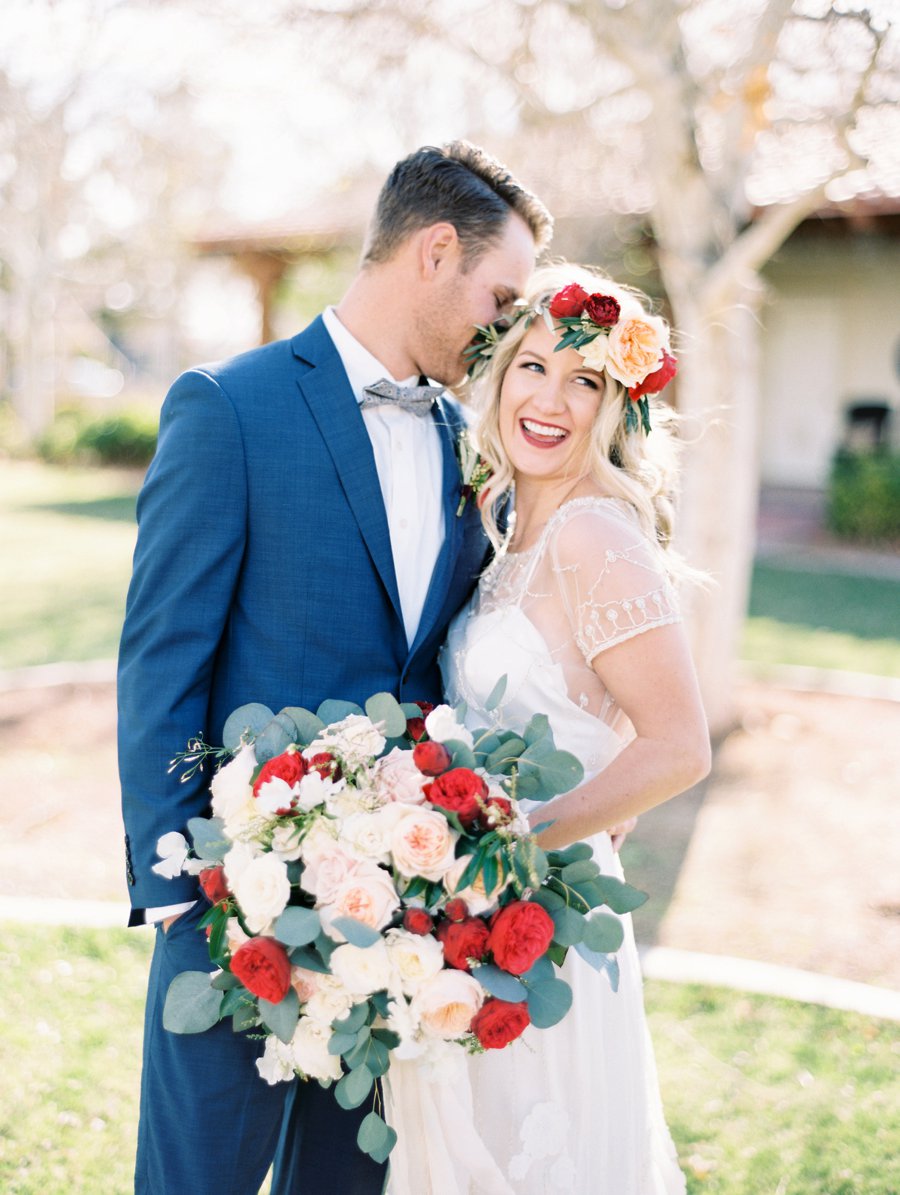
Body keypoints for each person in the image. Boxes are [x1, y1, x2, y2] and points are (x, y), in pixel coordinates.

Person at [117, 141, 552, 1195]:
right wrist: (186, 894)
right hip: (238, 910)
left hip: (397, 943)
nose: (506, 327)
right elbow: (162, 654)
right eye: (501, 296)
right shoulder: (229, 405)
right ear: (436, 251)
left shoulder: (467, 437)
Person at [387, 264, 711, 1193]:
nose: (551, 400)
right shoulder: (507, 531)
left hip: (543, 920)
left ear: (616, 405)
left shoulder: (592, 535)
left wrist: (511, 844)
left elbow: (679, 745)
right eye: (533, 366)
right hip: (471, 925)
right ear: (497, 374)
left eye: (586, 380)